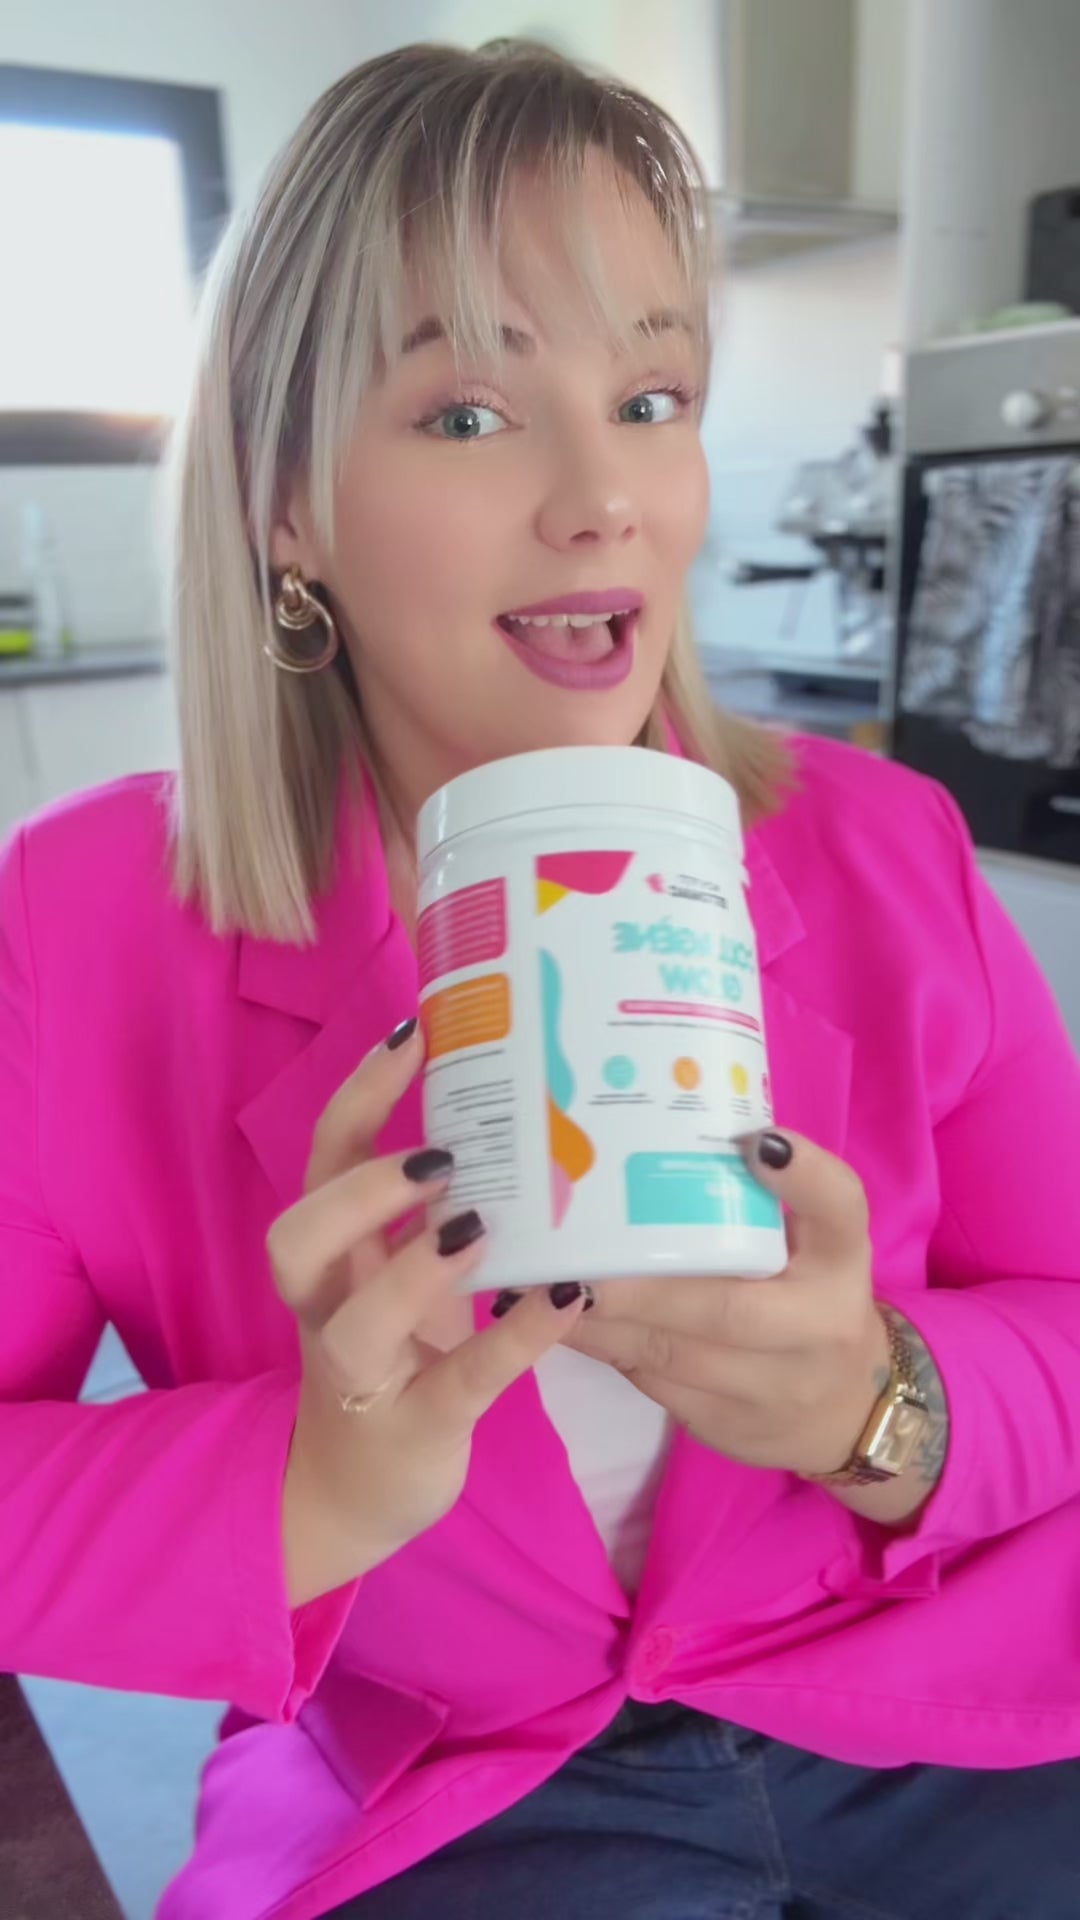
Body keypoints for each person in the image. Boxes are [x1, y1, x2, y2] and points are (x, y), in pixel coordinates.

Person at [1, 38, 1079, 1920]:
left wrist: (882, 1406)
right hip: (457, 1782)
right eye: (470, 415)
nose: (606, 502)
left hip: (959, 1702)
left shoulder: (883, 847)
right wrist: (307, 1491)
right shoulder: (78, 926)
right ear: (283, 504)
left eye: (651, 397)